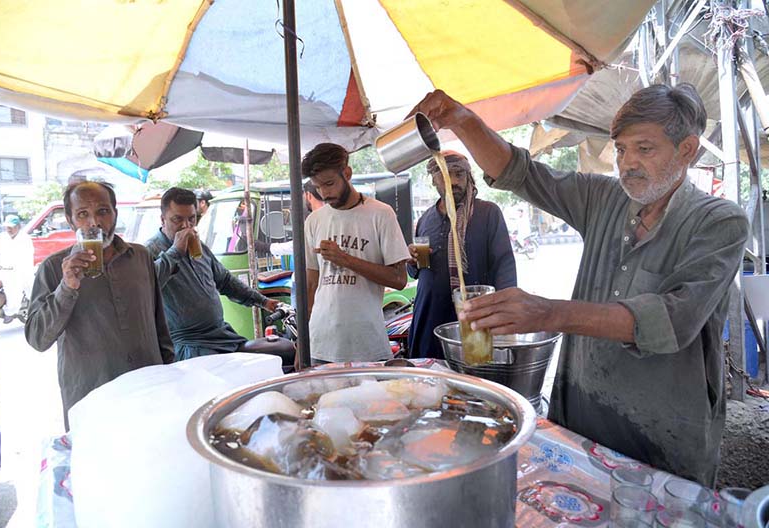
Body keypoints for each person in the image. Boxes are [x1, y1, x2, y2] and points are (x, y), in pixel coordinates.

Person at [412, 84, 749, 486]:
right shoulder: (604, 198)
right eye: (621, 150)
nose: (628, 164)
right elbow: (522, 173)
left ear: (687, 150)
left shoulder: (720, 222)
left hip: (664, 437)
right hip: (582, 419)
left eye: (645, 149)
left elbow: (674, 320)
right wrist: (462, 122)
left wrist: (549, 312)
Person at [25, 182, 174, 429]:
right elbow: (37, 338)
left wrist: (170, 372)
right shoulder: (53, 268)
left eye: (103, 211)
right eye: (83, 214)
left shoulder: (140, 256)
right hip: (91, 400)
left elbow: (159, 322)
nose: (94, 222)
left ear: (115, 213)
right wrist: (67, 287)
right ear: (71, 222)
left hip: (149, 391)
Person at [303, 143, 411, 364]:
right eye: (317, 187)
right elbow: (311, 285)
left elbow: (399, 280)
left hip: (367, 345)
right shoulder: (314, 221)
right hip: (320, 345)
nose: (324, 193)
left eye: (329, 184)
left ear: (347, 173)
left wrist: (345, 259)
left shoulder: (380, 214)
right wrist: (302, 345)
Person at [145, 187, 280, 360]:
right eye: (177, 219)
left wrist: (263, 301)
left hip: (221, 335)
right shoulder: (150, 251)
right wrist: (175, 251)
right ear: (163, 219)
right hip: (189, 345)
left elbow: (224, 281)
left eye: (191, 219)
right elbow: (148, 285)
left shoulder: (198, 245)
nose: (186, 226)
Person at [407, 151, 517, 359]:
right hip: (430, 316)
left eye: (460, 174)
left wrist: (504, 315)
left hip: (475, 317)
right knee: (432, 379)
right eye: (447, 176)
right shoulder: (425, 220)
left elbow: (505, 266)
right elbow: (415, 272)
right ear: (433, 180)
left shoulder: (487, 213)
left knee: (475, 374)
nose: (455, 181)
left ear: (469, 177)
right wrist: (412, 260)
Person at [265, 180, 325, 257]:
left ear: (308, 195)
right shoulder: (332, 214)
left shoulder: (313, 219)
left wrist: (267, 247)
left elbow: (300, 245)